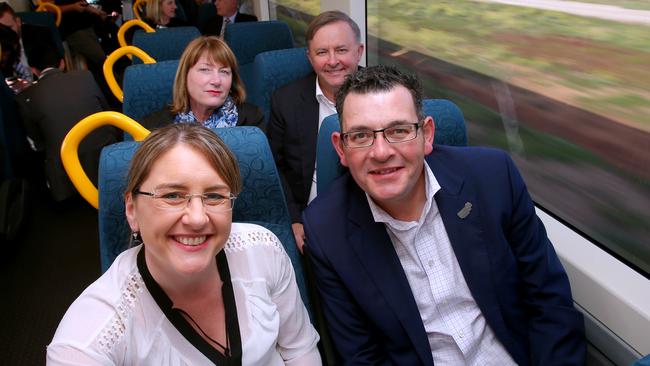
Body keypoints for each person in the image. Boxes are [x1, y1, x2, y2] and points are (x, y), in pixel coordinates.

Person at [303, 66, 586, 365]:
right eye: (361, 135)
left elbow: (550, 302)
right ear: (342, 149)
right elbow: (362, 357)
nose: (381, 151)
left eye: (398, 131)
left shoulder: (493, 177)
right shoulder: (326, 231)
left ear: (426, 135)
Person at [47, 123, 321, 364]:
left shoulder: (264, 248)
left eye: (214, 196)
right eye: (173, 195)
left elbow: (299, 350)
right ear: (132, 209)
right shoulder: (93, 335)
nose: (198, 218)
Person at [266, 10, 364, 253]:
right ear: (310, 58)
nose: (332, 61)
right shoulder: (285, 101)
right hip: (311, 219)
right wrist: (294, 219)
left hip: (371, 211)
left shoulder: (384, 95)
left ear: (359, 52)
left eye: (341, 50)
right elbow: (273, 166)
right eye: (322, 52)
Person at [15, 39, 118, 202]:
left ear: (34, 70)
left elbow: (37, 143)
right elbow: (106, 110)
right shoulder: (85, 76)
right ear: (62, 63)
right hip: (104, 154)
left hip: (65, 170)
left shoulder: (25, 97)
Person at [142, 36, 264, 130]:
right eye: (205, 70)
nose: (216, 81)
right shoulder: (153, 126)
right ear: (185, 76)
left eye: (224, 72)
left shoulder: (252, 120)